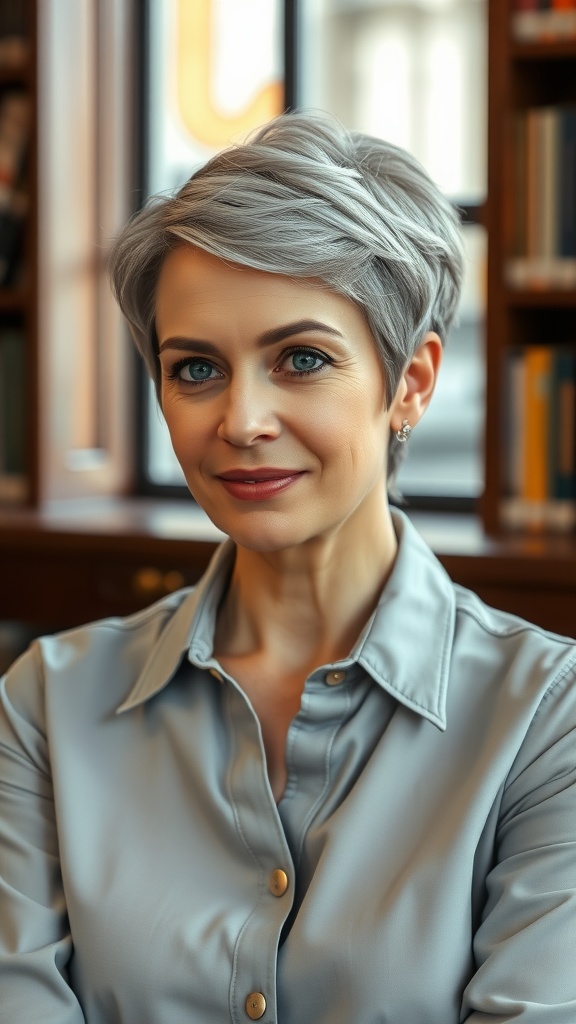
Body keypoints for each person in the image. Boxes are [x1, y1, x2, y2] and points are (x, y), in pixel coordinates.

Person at [1, 111, 575, 1024]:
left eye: (300, 359)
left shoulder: (549, 721)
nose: (242, 421)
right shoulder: (44, 708)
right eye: (195, 370)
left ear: (411, 384)